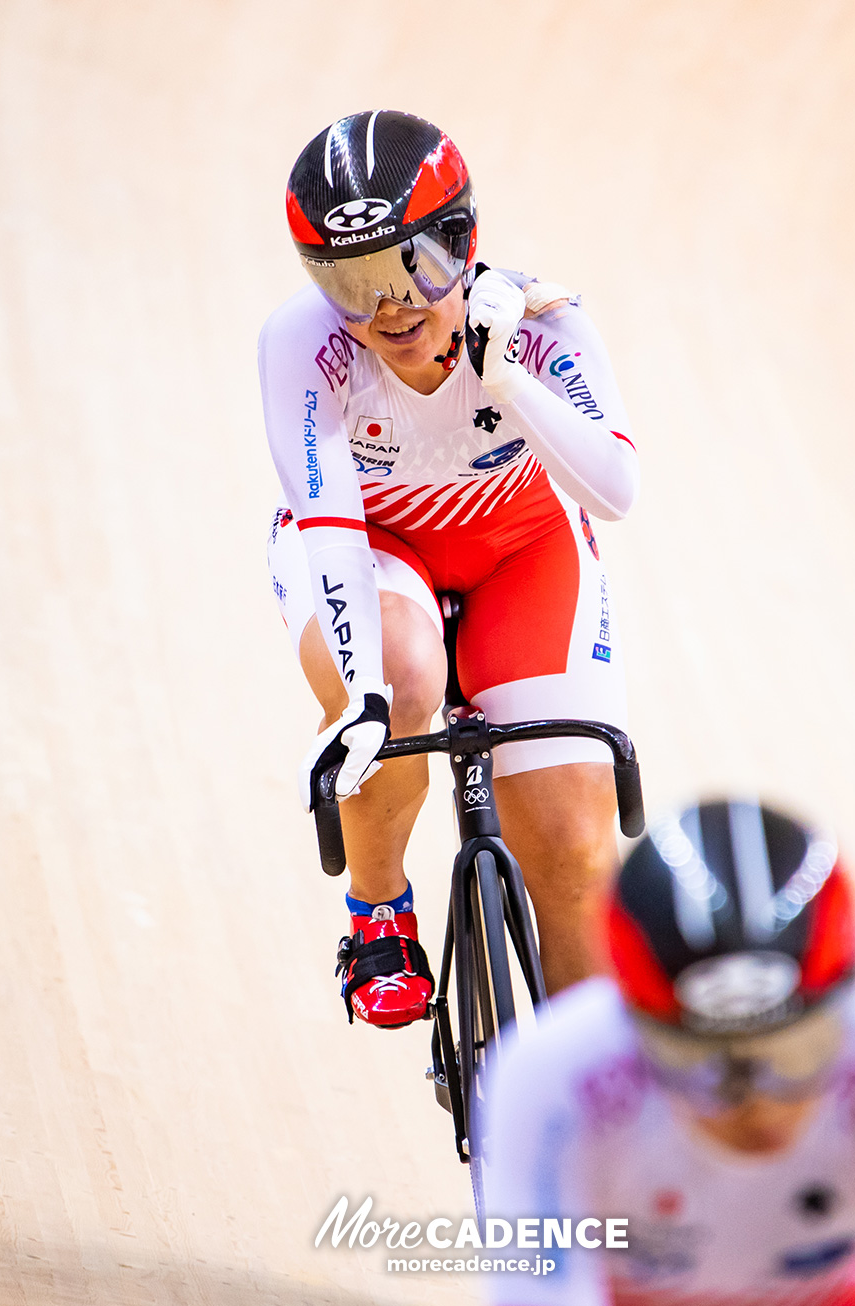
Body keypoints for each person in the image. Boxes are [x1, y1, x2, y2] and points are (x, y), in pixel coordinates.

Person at [259, 110, 640, 1028]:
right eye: (352, 283)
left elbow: (614, 493)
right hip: (373, 551)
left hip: (524, 551)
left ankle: (578, 1102)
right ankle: (378, 910)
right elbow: (331, 523)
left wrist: (509, 379)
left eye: (413, 270)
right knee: (399, 673)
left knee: (573, 852)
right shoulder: (300, 345)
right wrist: (362, 697)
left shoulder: (545, 322)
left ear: (464, 243)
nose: (388, 308)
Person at [481, 800, 855, 1306]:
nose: (754, 1105)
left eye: (796, 1051)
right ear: (630, 1020)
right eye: (697, 1059)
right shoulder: (549, 1079)